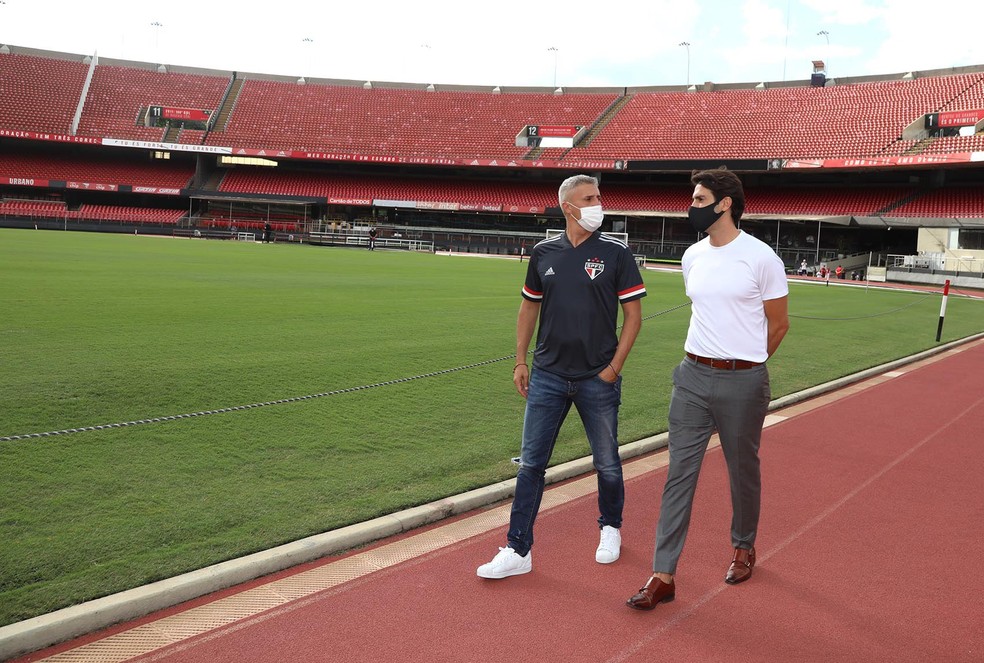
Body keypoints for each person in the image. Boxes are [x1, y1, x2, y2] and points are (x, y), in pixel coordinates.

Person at [626, 167, 789, 610]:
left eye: (699, 200)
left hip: (743, 379)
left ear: (725, 204)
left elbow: (779, 325)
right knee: (679, 474)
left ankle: (743, 546)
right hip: (692, 377)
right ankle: (663, 575)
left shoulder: (761, 258)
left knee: (742, 469)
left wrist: (746, 365)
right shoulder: (692, 256)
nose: (691, 207)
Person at [477, 174, 647, 579]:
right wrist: (521, 360)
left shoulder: (616, 254)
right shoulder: (543, 253)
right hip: (549, 376)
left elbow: (634, 317)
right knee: (531, 465)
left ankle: (610, 528)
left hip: (597, 377)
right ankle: (518, 549)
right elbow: (528, 309)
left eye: (598, 197)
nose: (597, 204)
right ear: (567, 207)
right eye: (588, 198)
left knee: (606, 462)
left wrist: (613, 368)